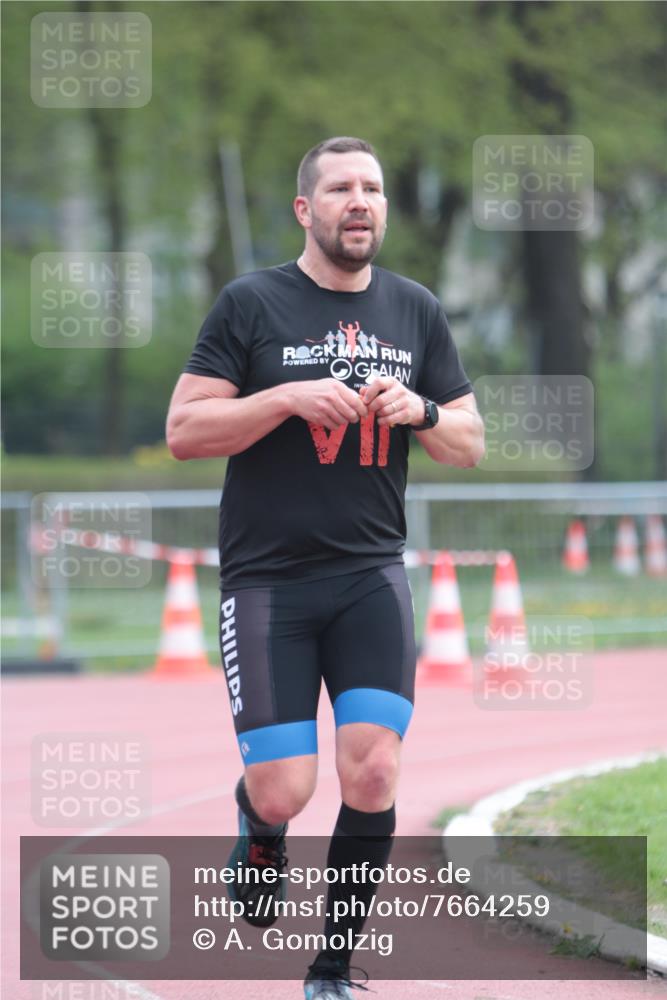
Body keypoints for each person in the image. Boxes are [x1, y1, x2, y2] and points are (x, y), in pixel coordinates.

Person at [166, 136, 485, 999]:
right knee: (285, 791)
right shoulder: (251, 304)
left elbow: (467, 442)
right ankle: (258, 826)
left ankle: (332, 969)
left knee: (373, 767)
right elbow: (185, 432)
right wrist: (283, 399)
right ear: (305, 209)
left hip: (369, 576)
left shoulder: (414, 310)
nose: (360, 202)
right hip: (269, 583)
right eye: (340, 188)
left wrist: (418, 407)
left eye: (373, 189)